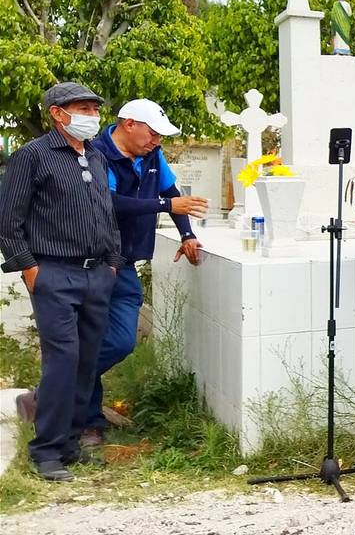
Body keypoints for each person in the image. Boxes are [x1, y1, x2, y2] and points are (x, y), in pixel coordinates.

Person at [0, 82, 123, 481]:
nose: (92, 115)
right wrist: (29, 268)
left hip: (97, 274)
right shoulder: (32, 156)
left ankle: (70, 444)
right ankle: (46, 451)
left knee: (87, 362)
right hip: (54, 273)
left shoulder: (96, 157)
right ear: (57, 113)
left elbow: (106, 214)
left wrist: (112, 264)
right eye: (83, 107)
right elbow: (8, 221)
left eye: (94, 108)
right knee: (63, 360)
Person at [78, 99, 209, 444]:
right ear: (129, 124)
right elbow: (108, 202)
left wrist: (187, 234)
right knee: (91, 336)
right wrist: (167, 206)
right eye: (152, 134)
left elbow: (171, 192)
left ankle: (61, 385)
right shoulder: (97, 153)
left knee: (120, 340)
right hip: (94, 262)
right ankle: (89, 422)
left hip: (126, 264)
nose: (157, 141)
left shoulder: (152, 155)